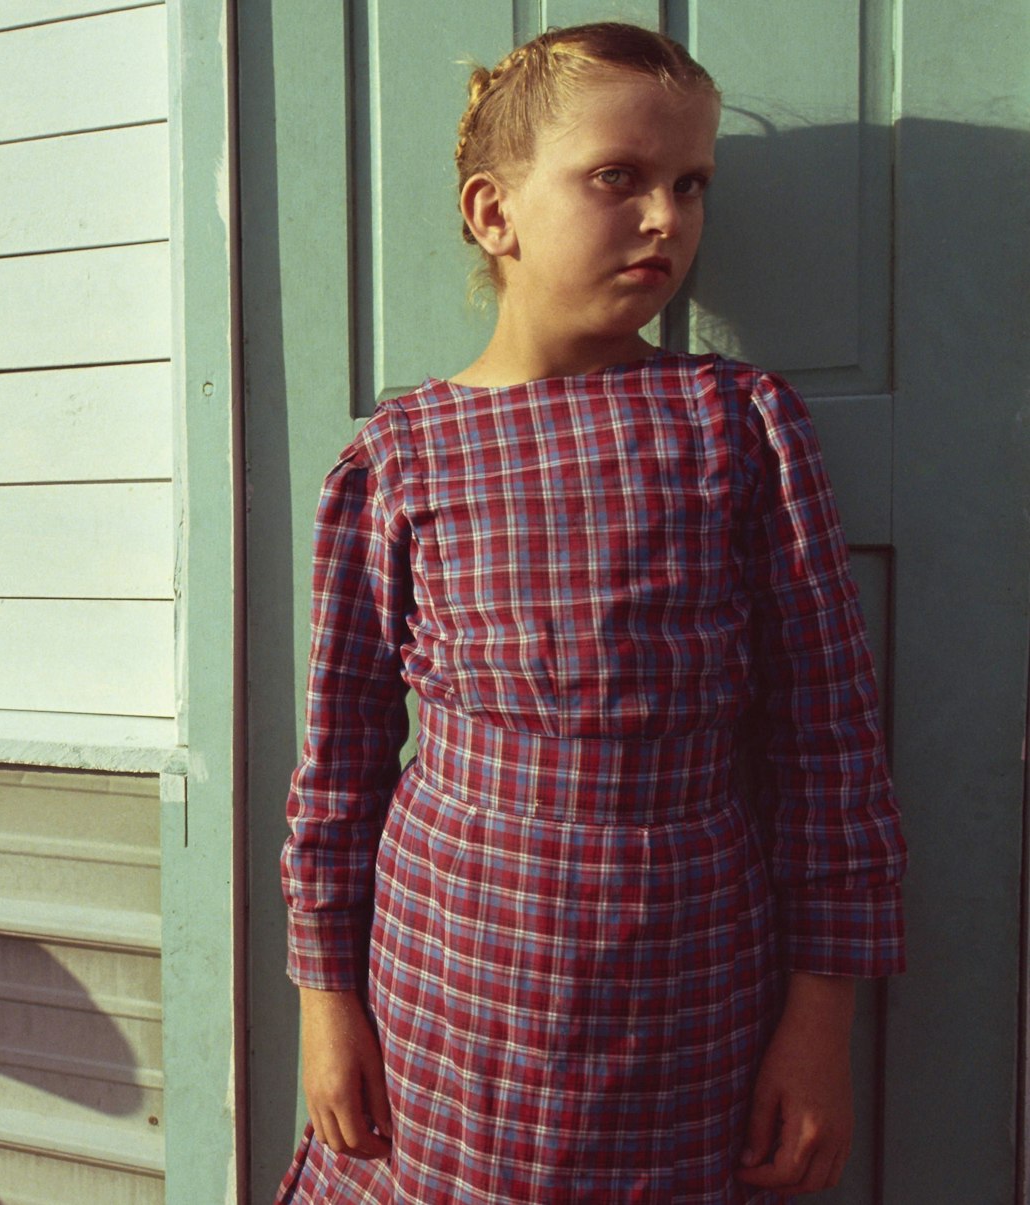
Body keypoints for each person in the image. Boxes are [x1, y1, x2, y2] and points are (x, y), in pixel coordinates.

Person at [277, 22, 905, 1204]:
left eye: (689, 185)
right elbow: (340, 760)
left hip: (686, 999)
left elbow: (829, 743)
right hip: (447, 995)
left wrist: (820, 1018)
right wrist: (324, 1005)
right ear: (493, 211)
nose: (665, 217)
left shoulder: (738, 426)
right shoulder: (399, 458)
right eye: (616, 178)